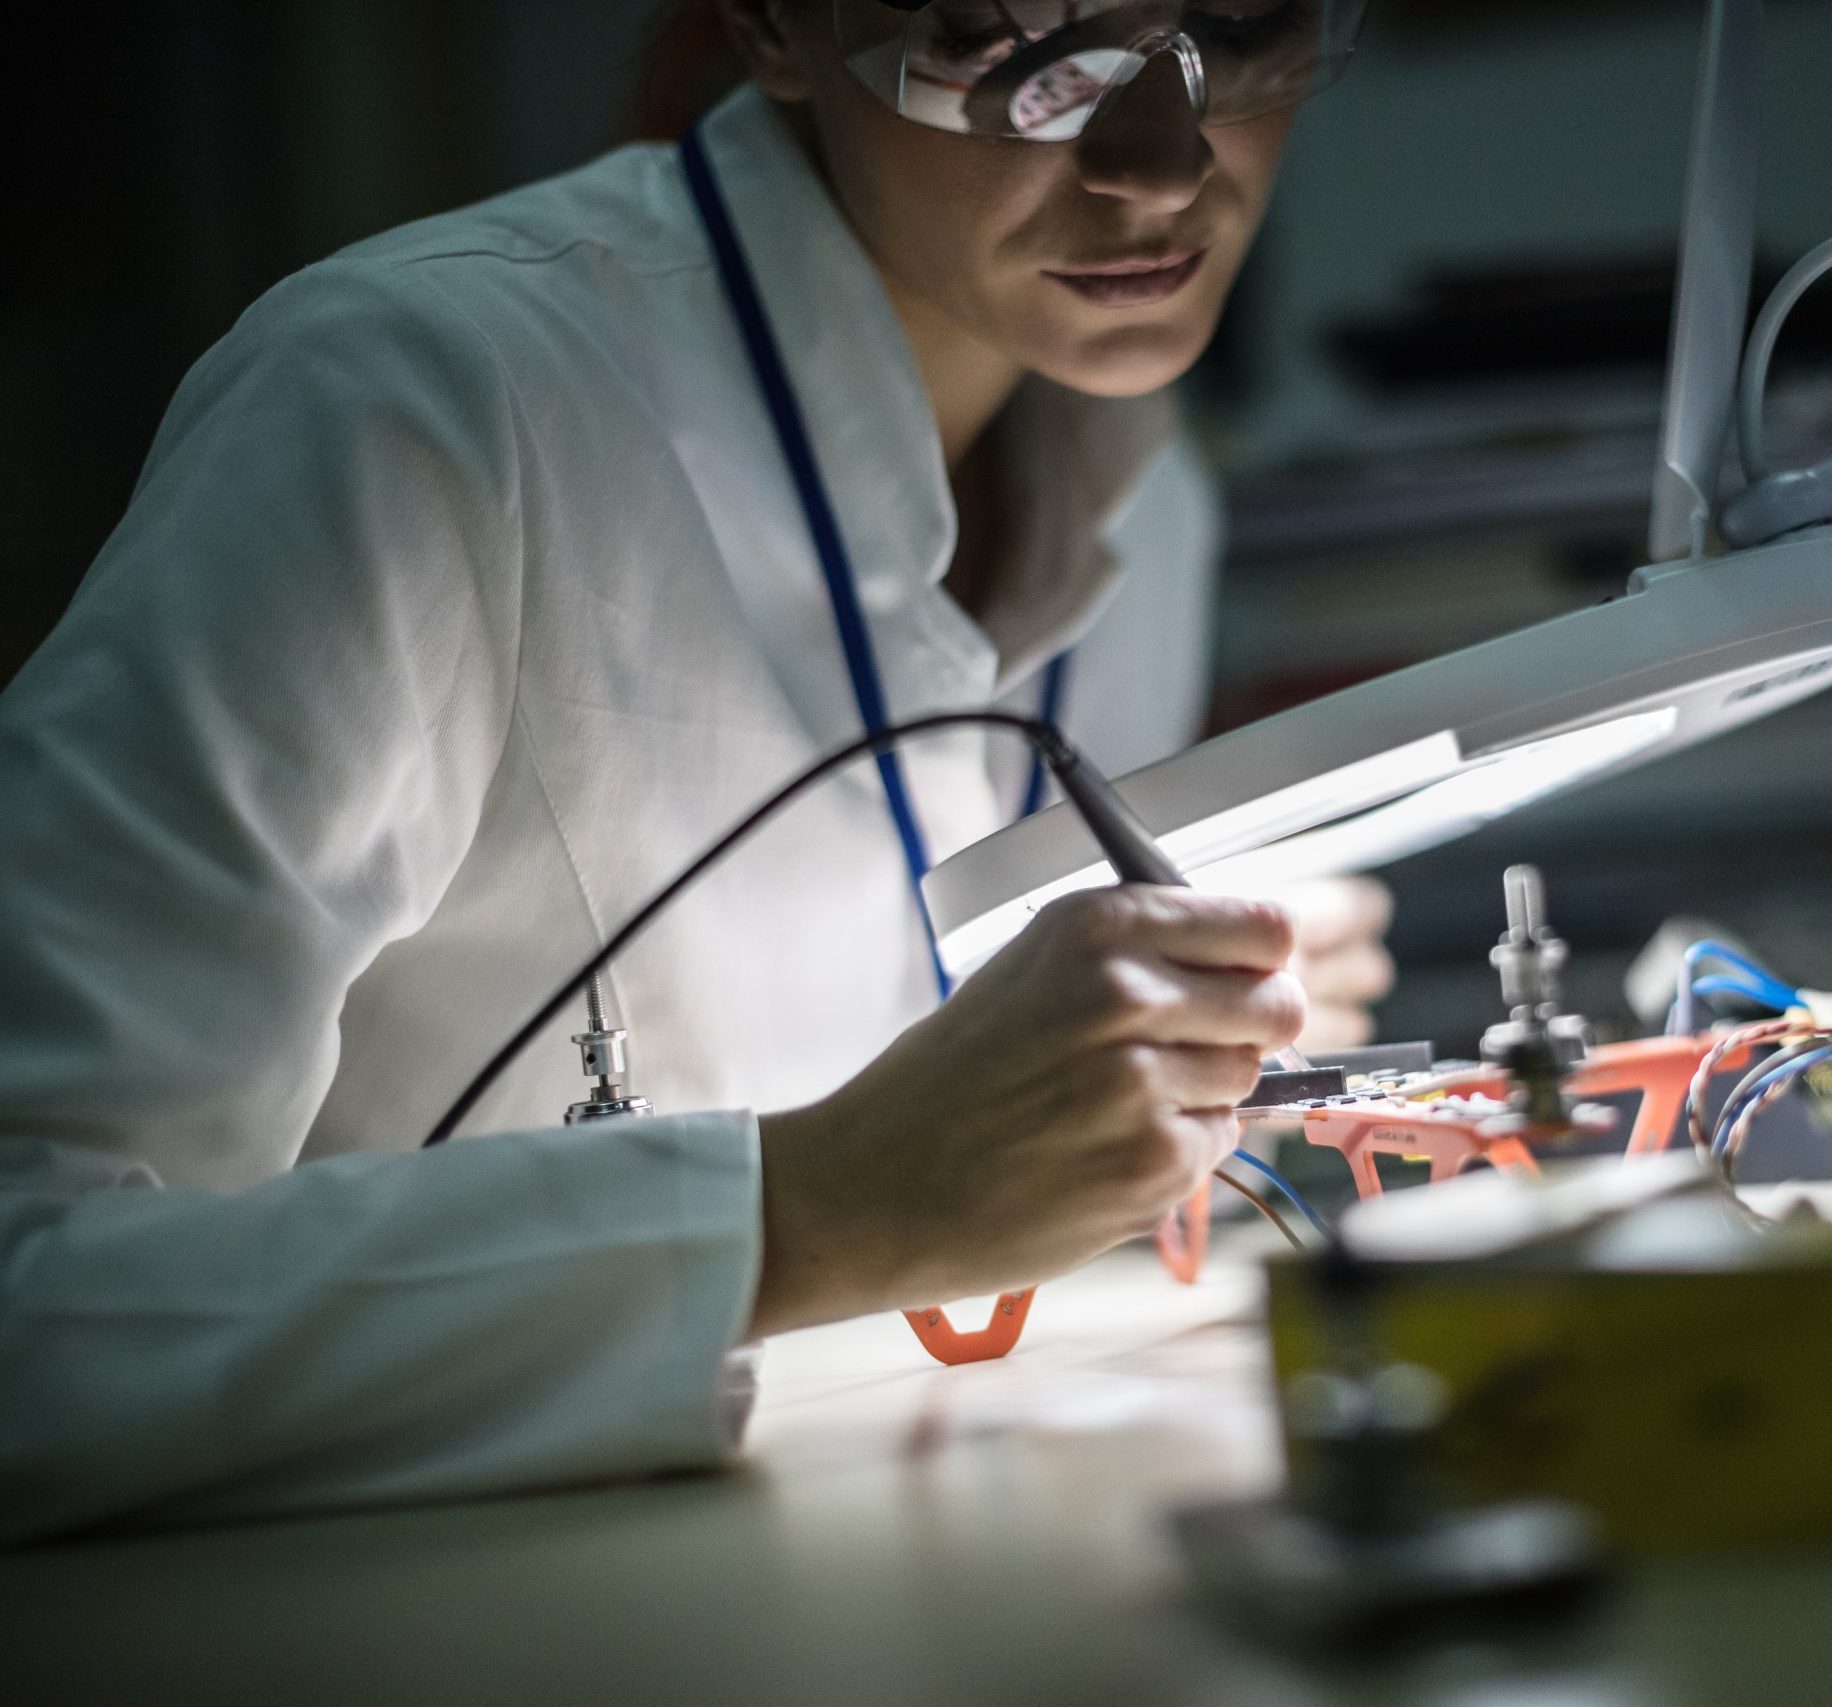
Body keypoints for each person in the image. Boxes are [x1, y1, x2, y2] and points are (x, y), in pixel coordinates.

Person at [0, 0, 1386, 1546]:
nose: (1157, 165)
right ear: (778, 29)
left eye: (1248, 26)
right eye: (1007, 42)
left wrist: (1155, 1053)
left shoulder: (1145, 492)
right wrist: (804, 1214)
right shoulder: (415, 405)